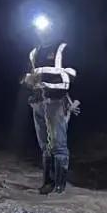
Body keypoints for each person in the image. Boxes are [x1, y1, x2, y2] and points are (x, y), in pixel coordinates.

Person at [21, 14, 77, 194]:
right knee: (45, 146)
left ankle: (60, 186)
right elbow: (27, 76)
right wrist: (27, 81)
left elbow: (71, 76)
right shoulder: (34, 53)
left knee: (58, 145)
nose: (43, 32)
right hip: (39, 103)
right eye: (40, 29)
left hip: (56, 102)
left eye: (46, 28)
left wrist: (43, 78)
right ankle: (48, 182)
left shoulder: (64, 49)